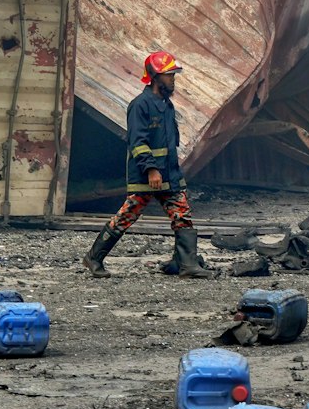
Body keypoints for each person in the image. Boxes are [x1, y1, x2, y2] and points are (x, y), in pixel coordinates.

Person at [81, 50, 213, 278]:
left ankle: (186, 264)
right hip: (146, 175)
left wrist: (169, 170)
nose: (173, 79)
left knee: (182, 215)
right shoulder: (140, 105)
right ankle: (93, 258)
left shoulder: (166, 105)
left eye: (173, 75)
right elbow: (137, 142)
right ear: (155, 77)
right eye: (169, 75)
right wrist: (151, 169)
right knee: (127, 216)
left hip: (169, 175)